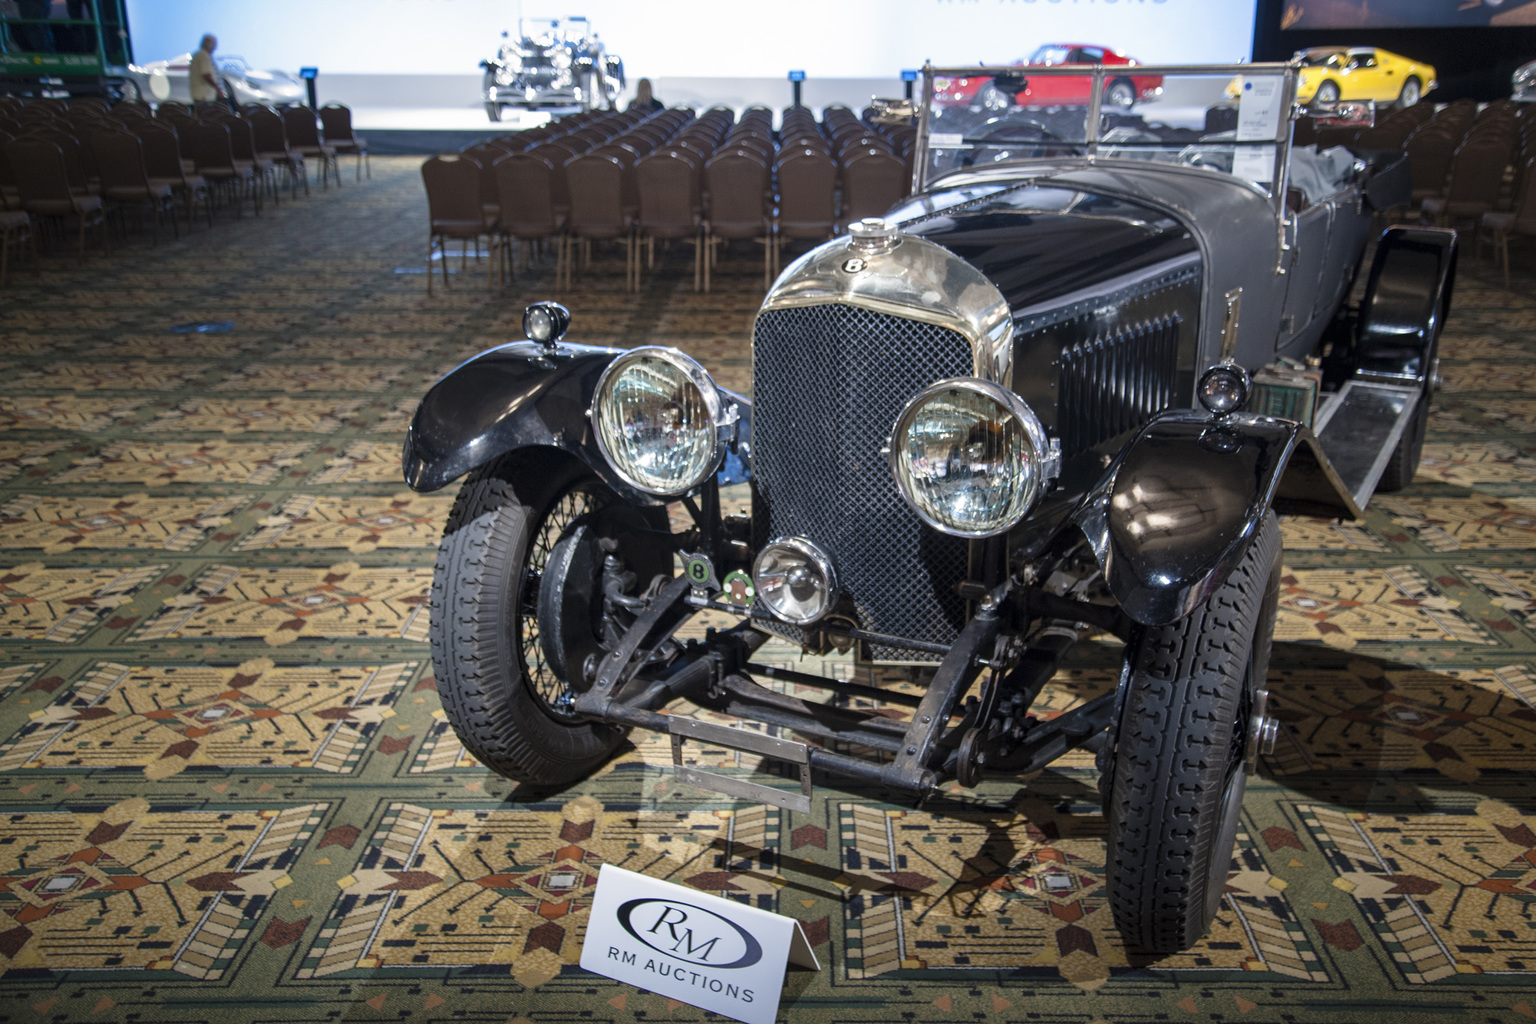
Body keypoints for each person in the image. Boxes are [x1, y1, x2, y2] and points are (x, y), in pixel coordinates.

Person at [189, 34, 224, 111]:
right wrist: (218, 89)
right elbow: (206, 75)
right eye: (214, 45)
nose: (215, 48)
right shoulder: (203, 55)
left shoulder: (198, 55)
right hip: (204, 98)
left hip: (200, 97)